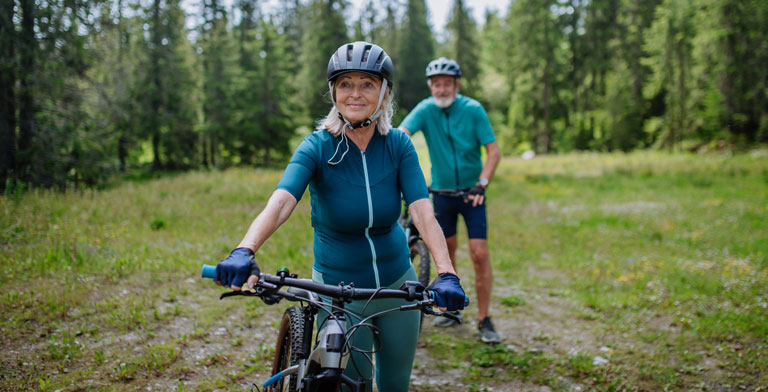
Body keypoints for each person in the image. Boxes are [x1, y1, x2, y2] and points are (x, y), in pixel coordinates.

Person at [211, 42, 466, 392]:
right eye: (346, 83)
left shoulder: (398, 145)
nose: (355, 93)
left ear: (384, 93)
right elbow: (281, 203)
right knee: (352, 384)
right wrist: (245, 249)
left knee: (395, 383)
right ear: (333, 91)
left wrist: (446, 272)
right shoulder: (317, 146)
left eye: (367, 84)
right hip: (338, 290)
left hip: (397, 284)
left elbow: (422, 212)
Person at [397, 57, 502, 344]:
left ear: (457, 85)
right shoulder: (426, 109)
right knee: (448, 252)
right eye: (437, 84)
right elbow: (401, 135)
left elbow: (493, 153)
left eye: (447, 83)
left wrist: (482, 184)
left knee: (479, 254)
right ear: (430, 86)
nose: (442, 89)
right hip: (442, 193)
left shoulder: (473, 109)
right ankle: (452, 308)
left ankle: (484, 319)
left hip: (472, 194)